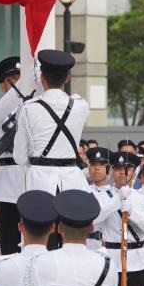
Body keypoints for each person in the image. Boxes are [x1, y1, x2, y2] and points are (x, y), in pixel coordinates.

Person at [13, 49, 91, 198]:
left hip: (39, 181)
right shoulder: (81, 105)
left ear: (41, 77)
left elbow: (20, 157)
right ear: (67, 78)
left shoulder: (28, 108)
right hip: (73, 181)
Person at [0, 56, 35, 256]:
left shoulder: (37, 107)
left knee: (36, 245)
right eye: (11, 80)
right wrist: (20, 89)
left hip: (32, 179)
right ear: (3, 85)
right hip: (6, 185)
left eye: (19, 79)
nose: (16, 84)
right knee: (9, 247)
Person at [96, 151, 144, 286]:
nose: (122, 172)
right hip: (111, 256)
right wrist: (117, 200)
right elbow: (95, 220)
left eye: (127, 168)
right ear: (111, 171)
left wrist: (133, 213)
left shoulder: (143, 197)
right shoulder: (101, 195)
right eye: (117, 168)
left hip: (136, 257)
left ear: (134, 172)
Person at [85, 147, 113, 252]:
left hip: (110, 246)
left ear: (108, 169)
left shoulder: (115, 194)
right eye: (93, 164)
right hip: (87, 245)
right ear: (89, 168)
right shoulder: (83, 192)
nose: (97, 168)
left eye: (101, 164)